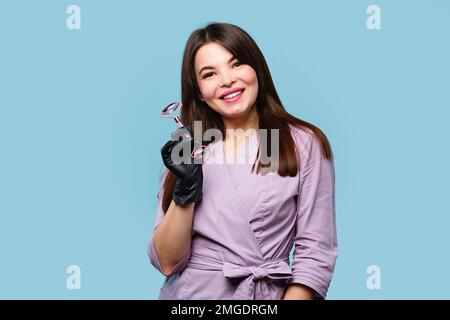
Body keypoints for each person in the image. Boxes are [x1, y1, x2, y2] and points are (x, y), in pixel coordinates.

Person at [147, 22, 338, 300]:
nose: (227, 80)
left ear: (256, 69)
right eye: (210, 73)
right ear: (199, 91)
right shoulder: (189, 147)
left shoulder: (299, 143)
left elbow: (315, 254)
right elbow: (167, 260)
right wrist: (185, 191)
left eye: (236, 64)